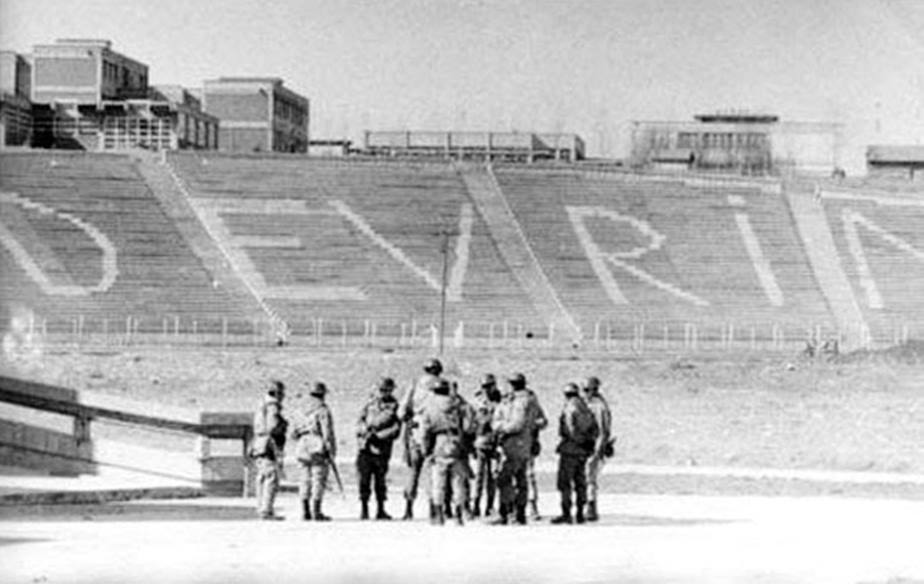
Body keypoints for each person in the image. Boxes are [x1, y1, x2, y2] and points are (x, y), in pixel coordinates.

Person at [491, 373, 545, 525]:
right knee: (521, 479)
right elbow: (542, 420)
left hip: (514, 444)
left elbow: (517, 424)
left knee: (505, 478)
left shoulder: (520, 401)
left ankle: (508, 512)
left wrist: (499, 427)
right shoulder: (531, 399)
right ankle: (519, 513)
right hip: (524, 444)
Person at [419, 378, 473, 525]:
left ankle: (438, 515)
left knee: (438, 481)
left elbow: (425, 431)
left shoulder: (429, 406)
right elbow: (469, 426)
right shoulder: (458, 405)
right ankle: (458, 515)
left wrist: (425, 450)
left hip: (439, 443)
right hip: (457, 443)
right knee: (458, 481)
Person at [398, 358, 444, 520]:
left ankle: (408, 509)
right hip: (435, 432)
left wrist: (410, 419)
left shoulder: (415, 384)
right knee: (433, 471)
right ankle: (433, 508)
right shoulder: (443, 385)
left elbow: (401, 412)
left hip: (416, 431)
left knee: (413, 470)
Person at [551, 383, 598, 525]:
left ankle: (566, 514)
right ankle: (580, 514)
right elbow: (594, 429)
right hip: (583, 451)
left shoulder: (570, 407)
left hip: (570, 449)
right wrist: (587, 443)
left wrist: (577, 441)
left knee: (565, 483)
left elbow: (569, 429)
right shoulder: (586, 408)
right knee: (580, 482)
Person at [356, 377, 402, 520]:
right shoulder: (369, 404)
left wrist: (378, 436)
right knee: (364, 479)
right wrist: (363, 431)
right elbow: (359, 421)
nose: (383, 393)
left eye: (386, 390)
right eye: (381, 390)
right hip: (365, 448)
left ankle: (381, 509)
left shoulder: (395, 406)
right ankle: (364, 509)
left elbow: (396, 429)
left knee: (380, 481)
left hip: (382, 449)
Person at [292, 381, 337, 521]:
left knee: (304, 479)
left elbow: (293, 432)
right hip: (317, 445)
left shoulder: (300, 409)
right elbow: (327, 431)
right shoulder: (322, 409)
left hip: (302, 445)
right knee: (318, 478)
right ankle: (316, 511)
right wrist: (330, 449)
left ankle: (305, 511)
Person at [251, 379, 288, 520]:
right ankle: (266, 510)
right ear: (277, 393)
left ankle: (261, 508)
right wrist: (283, 426)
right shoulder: (273, 406)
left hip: (259, 443)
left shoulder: (261, 405)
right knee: (271, 477)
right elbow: (273, 426)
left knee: (262, 477)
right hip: (269, 444)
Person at [471, 374, 501, 517]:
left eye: (489, 386)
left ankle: (489, 505)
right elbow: (473, 422)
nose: (486, 389)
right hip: (481, 442)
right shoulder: (477, 401)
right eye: (484, 387)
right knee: (479, 476)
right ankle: (476, 505)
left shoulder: (502, 401)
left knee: (493, 477)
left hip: (496, 443)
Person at [583, 376, 613, 522]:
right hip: (585, 445)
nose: (585, 393)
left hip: (594, 446)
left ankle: (591, 507)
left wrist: (598, 450)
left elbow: (603, 431)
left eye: (587, 390)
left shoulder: (599, 406)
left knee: (590, 477)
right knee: (585, 477)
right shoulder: (588, 403)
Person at [525, 379, 549, 521]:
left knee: (529, 475)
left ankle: (532, 506)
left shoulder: (532, 400)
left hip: (528, 443)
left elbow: (543, 421)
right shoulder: (509, 400)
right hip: (513, 445)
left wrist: (532, 425)